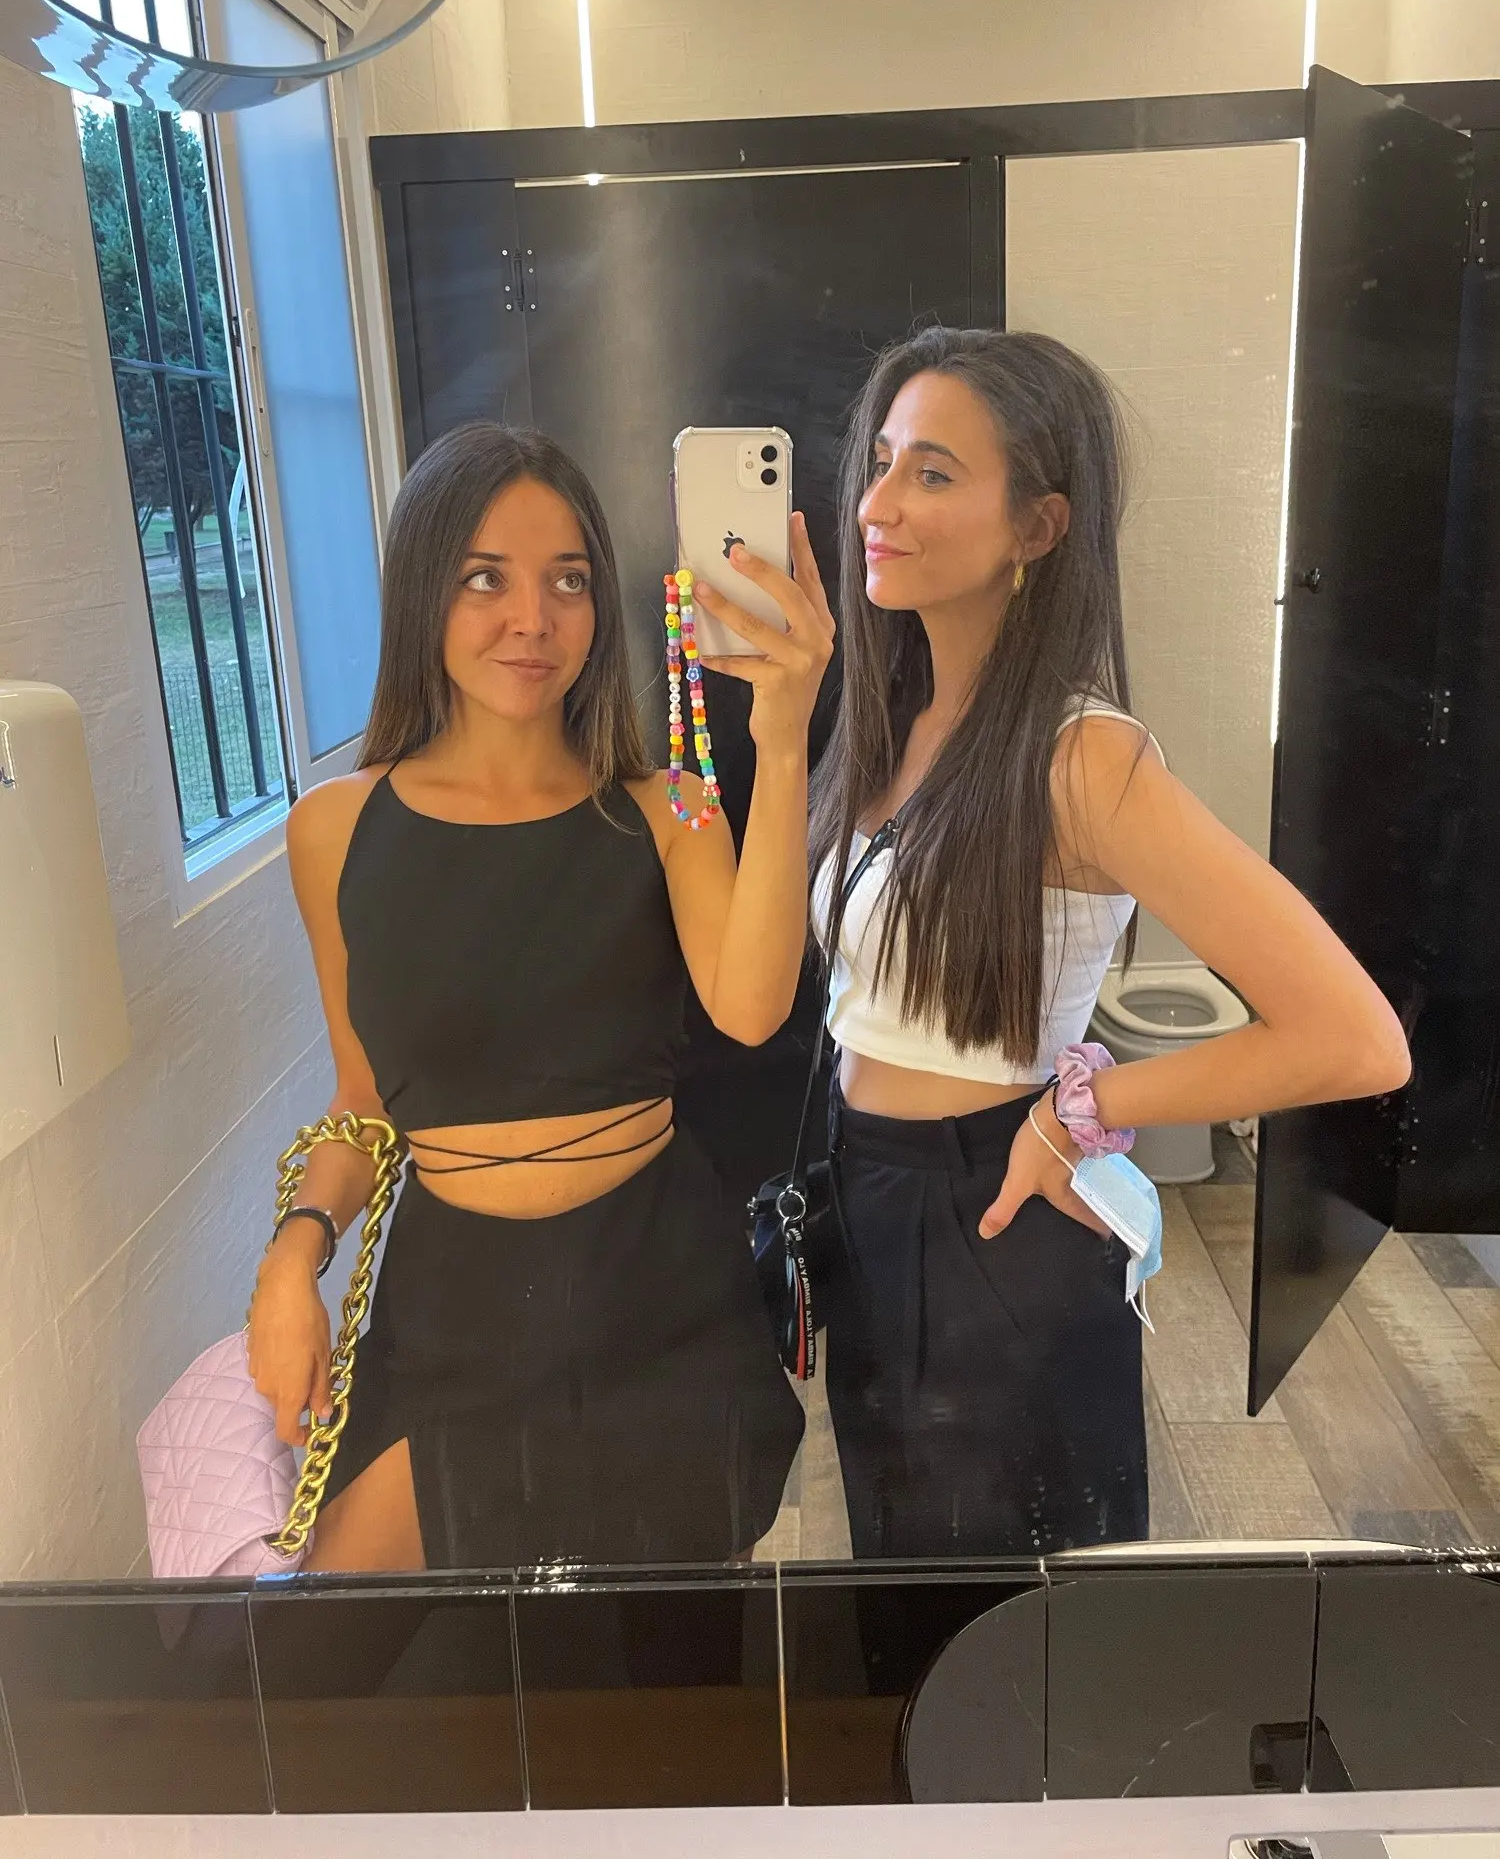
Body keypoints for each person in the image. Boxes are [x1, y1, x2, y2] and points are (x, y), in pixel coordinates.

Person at [809, 326, 1412, 1560]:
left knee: (1014, 1613)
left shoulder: (1084, 757)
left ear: (1038, 528)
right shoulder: (890, 724)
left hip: (990, 1207)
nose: (877, 503)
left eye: (933, 471)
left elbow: (1354, 1037)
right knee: (898, 1581)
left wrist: (1081, 1109)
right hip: (864, 1191)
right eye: (881, 462)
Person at [247, 421, 833, 1572]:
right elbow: (365, 1100)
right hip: (454, 1308)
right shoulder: (334, 829)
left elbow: (754, 1008)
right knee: (350, 1643)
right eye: (486, 578)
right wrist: (292, 1254)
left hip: (655, 1295)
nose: (534, 618)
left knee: (650, 1661)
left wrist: (782, 734)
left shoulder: (667, 806)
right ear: (423, 591)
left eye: (568, 580)